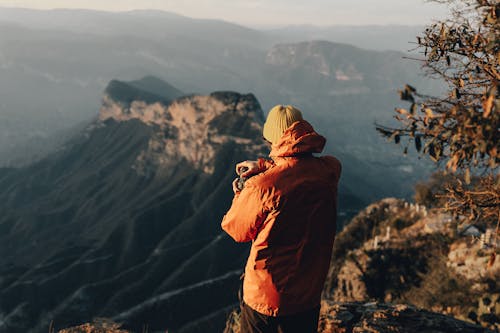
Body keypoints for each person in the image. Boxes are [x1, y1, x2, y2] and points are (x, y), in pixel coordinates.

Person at [221, 105, 341, 333]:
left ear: (272, 140)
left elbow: (236, 230)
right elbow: (296, 168)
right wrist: (265, 167)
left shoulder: (262, 186)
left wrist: (242, 192)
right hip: (309, 293)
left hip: (266, 297)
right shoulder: (329, 171)